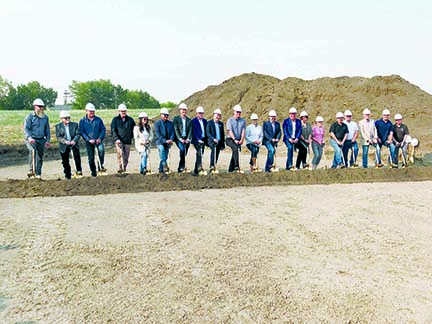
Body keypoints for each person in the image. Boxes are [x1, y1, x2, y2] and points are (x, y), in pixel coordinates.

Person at [24, 98, 51, 178]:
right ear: (35, 107)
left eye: (42, 106)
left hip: (41, 139)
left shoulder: (45, 117)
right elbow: (26, 128)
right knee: (33, 152)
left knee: (40, 156)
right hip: (32, 139)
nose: (41, 108)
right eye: (39, 106)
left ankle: (38, 173)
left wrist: (47, 140)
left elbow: (47, 129)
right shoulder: (29, 117)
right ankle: (31, 171)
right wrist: (29, 138)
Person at [79, 103, 107, 177]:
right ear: (86, 111)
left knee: (101, 151)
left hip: (98, 140)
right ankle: (93, 172)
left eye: (93, 111)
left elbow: (103, 129)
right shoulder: (82, 121)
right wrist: (88, 139)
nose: (92, 113)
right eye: (90, 111)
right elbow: (82, 131)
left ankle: (100, 167)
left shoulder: (98, 120)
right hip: (89, 142)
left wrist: (100, 138)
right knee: (91, 158)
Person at [55, 110, 82, 179]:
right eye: (65, 118)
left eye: (68, 118)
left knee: (77, 159)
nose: (67, 119)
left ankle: (79, 172)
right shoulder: (58, 126)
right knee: (65, 161)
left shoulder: (75, 125)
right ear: (61, 119)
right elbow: (58, 137)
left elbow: (78, 134)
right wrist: (65, 141)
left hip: (73, 144)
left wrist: (74, 141)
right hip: (64, 146)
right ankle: (68, 175)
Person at [111, 104, 136, 173]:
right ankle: (120, 167)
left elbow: (135, 129)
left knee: (126, 156)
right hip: (119, 140)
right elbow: (113, 130)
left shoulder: (130, 120)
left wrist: (132, 137)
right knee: (120, 154)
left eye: (124, 111)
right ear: (119, 111)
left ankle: (124, 167)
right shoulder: (115, 120)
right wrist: (116, 139)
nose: (123, 112)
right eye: (122, 111)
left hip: (127, 140)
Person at [172, 103, 192, 173]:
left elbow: (190, 130)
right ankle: (181, 167)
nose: (184, 111)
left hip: (186, 139)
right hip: (179, 139)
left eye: (185, 110)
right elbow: (176, 129)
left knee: (184, 153)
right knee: (182, 150)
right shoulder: (176, 119)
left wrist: (188, 139)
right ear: (180, 110)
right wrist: (180, 139)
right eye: (182, 110)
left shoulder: (189, 120)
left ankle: (181, 168)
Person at [154, 107, 175, 173]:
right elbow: (158, 134)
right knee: (162, 150)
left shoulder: (170, 123)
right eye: (164, 115)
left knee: (164, 156)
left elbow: (172, 132)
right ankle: (165, 165)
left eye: (167, 115)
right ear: (161, 115)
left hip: (168, 142)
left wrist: (171, 139)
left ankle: (161, 170)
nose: (166, 116)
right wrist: (164, 140)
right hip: (159, 141)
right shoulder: (157, 123)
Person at [226, 104, 246, 172]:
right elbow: (230, 131)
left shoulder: (243, 121)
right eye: (237, 112)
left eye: (239, 112)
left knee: (235, 152)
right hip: (230, 139)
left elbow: (243, 130)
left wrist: (242, 139)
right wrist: (234, 139)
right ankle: (236, 166)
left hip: (238, 139)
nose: (238, 113)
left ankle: (230, 170)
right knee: (235, 149)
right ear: (234, 112)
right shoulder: (230, 120)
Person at [206, 108, 225, 173]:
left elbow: (222, 134)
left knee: (217, 153)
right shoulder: (209, 123)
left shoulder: (221, 124)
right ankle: (212, 166)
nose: (217, 116)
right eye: (216, 115)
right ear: (214, 115)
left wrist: (223, 144)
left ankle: (214, 165)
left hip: (219, 141)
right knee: (213, 151)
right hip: (212, 141)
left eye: (219, 115)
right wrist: (213, 139)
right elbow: (208, 133)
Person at [191, 106, 208, 175]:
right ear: (197, 113)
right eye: (200, 113)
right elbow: (194, 132)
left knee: (200, 154)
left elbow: (206, 130)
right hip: (196, 140)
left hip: (203, 139)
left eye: (202, 113)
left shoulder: (205, 121)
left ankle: (195, 170)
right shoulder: (193, 121)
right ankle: (199, 168)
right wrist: (198, 139)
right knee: (199, 152)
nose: (201, 114)